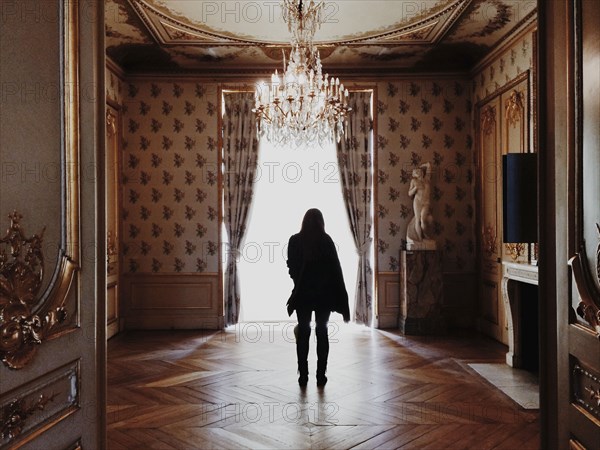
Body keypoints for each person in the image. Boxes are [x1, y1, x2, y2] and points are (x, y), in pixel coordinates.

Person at [286, 208, 350, 387]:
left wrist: (298, 281)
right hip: (324, 295)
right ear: (322, 222)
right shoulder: (326, 241)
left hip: (303, 294)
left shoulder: (295, 240)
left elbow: (291, 267)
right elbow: (336, 270)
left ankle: (303, 375)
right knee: (322, 332)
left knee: (303, 333)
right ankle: (321, 376)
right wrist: (342, 301)